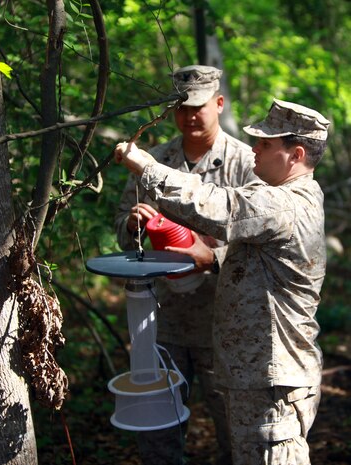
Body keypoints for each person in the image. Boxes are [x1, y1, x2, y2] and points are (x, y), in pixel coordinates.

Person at [114, 98, 330, 465]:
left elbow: (218, 207)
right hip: (260, 376)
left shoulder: (284, 204)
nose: (254, 150)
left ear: (295, 155)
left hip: (272, 382)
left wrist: (147, 166)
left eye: (264, 144)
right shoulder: (288, 198)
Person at [114, 65, 257, 465]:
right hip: (164, 322)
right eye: (181, 108)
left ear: (219, 103)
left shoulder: (246, 163)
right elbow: (122, 231)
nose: (190, 115)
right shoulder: (152, 162)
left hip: (226, 322)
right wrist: (133, 224)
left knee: (236, 429)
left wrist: (212, 256)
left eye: (199, 107)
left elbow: (261, 241)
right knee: (157, 428)